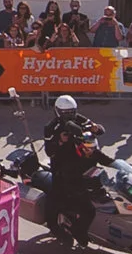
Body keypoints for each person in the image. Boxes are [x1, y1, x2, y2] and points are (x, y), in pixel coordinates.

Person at [42, 95, 113, 244]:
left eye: (72, 112)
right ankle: (67, 228)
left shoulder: (79, 119)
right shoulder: (51, 127)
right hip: (62, 168)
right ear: (58, 111)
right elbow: (49, 151)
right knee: (64, 200)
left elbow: (99, 130)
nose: (70, 115)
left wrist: (96, 128)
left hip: (83, 162)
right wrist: (60, 141)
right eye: (66, 113)